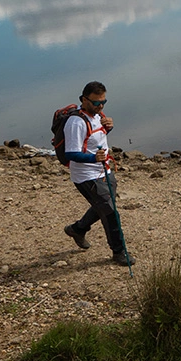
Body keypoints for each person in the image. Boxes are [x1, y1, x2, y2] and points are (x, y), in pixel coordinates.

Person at [61, 81, 134, 266]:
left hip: (104, 170)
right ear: (83, 100)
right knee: (110, 212)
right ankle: (119, 252)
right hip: (86, 176)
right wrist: (93, 158)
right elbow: (71, 153)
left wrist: (108, 127)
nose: (100, 106)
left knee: (104, 205)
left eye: (103, 102)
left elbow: (95, 138)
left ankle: (77, 229)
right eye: (96, 102)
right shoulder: (76, 122)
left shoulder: (98, 116)